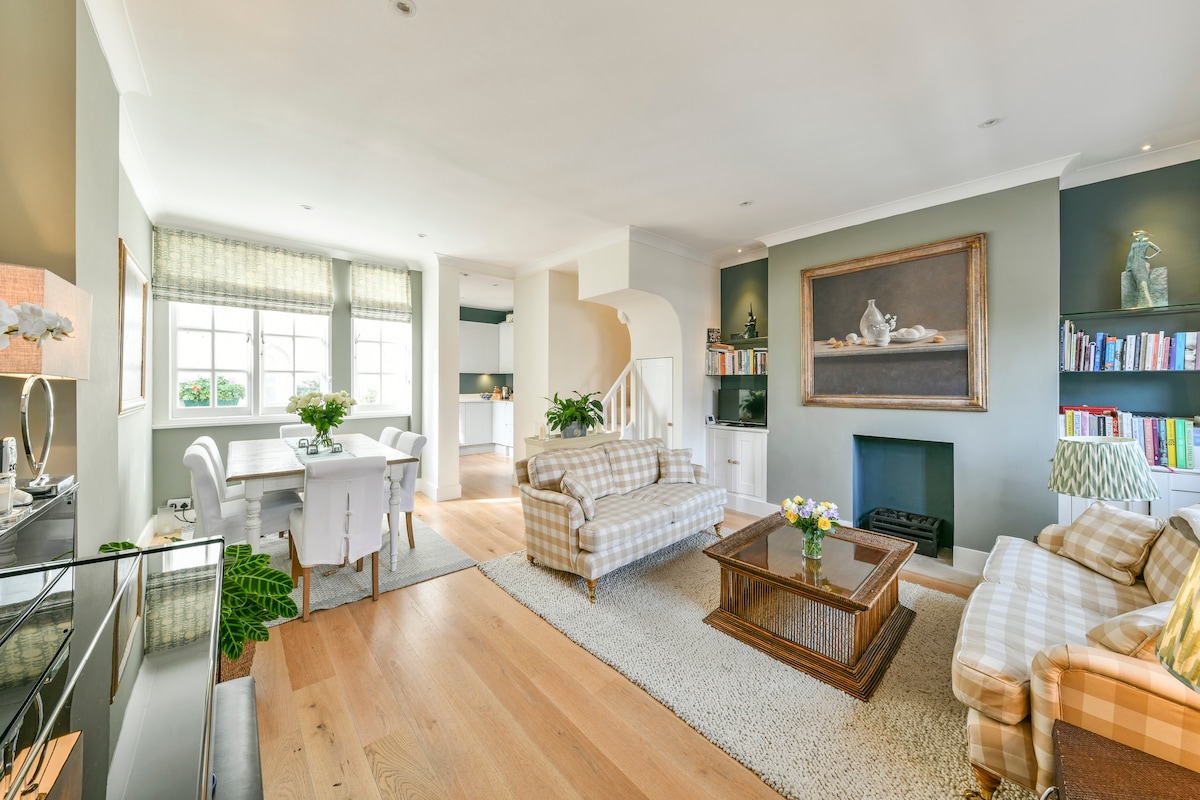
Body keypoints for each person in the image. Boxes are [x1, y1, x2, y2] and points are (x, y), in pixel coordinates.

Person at [1124, 230, 1161, 308]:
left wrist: (1149, 257)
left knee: (1142, 284)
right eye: (1137, 235)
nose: (1138, 236)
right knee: (1138, 284)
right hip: (1134, 264)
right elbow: (1130, 254)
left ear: (1143, 235)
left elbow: (1159, 250)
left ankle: (1147, 303)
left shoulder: (1147, 243)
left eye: (1140, 235)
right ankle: (1141, 304)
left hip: (1142, 264)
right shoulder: (1134, 244)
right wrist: (1128, 266)